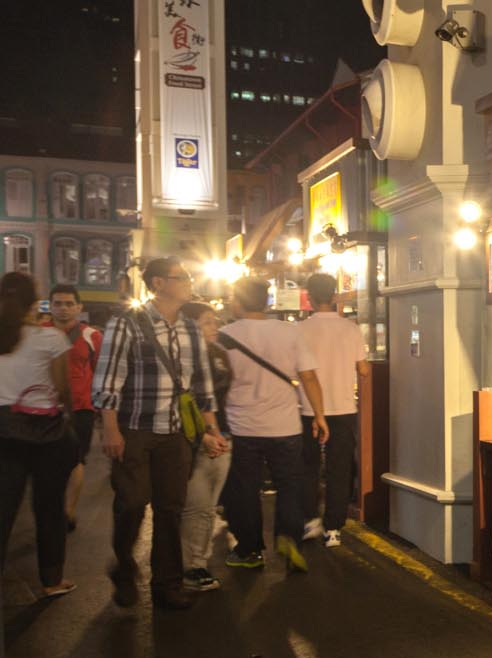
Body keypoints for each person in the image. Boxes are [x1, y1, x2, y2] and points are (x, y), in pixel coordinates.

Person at [93, 257, 229, 610]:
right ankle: (124, 564)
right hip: (134, 428)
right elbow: (108, 379)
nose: (188, 281)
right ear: (157, 283)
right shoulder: (127, 323)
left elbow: (202, 387)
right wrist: (110, 429)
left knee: (171, 508)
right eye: (180, 276)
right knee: (132, 503)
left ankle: (166, 585)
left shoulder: (189, 329)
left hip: (175, 433)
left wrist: (210, 430)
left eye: (187, 276)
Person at [218, 278, 327, 573]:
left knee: (245, 490)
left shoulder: (223, 335)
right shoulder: (289, 333)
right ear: (266, 302)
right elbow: (309, 377)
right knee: (290, 485)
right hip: (285, 426)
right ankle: (289, 537)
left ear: (237, 301)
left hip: (242, 427)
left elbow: (218, 382)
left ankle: (250, 550)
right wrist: (319, 415)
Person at [0, 272, 78, 598]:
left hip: (3, 429)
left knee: (3, 508)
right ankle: (51, 580)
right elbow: (63, 388)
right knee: (48, 507)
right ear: (35, 303)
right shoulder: (50, 339)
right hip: (45, 432)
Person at [297, 273, 368, 548]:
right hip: (343, 408)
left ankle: (310, 520)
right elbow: (363, 369)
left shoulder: (299, 330)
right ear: (335, 296)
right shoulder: (350, 329)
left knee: (308, 466)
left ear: (310, 298)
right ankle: (334, 529)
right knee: (340, 468)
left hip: (307, 408)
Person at [179, 302, 233, 591]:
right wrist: (206, 433)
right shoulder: (183, 359)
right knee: (196, 506)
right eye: (206, 322)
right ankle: (192, 567)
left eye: (215, 321)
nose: (214, 327)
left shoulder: (218, 355)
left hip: (223, 435)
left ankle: (197, 561)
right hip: (196, 439)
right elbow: (187, 401)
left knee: (208, 506)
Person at [44, 284, 101, 531]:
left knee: (76, 460)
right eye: (58, 303)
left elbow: (100, 372)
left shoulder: (92, 336)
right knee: (47, 461)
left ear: (79, 307)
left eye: (69, 303)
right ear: (50, 306)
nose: (63, 308)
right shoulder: (37, 333)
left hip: (81, 408)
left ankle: (67, 512)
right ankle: (50, 507)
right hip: (44, 408)